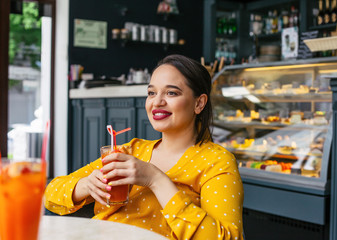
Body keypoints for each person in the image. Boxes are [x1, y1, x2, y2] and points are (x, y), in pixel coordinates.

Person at [45, 54, 244, 239]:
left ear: (199, 103)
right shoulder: (131, 150)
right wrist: (87, 185)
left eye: (171, 93)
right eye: (151, 92)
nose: (157, 102)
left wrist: (155, 179)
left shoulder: (216, 161)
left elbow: (226, 237)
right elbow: (51, 196)